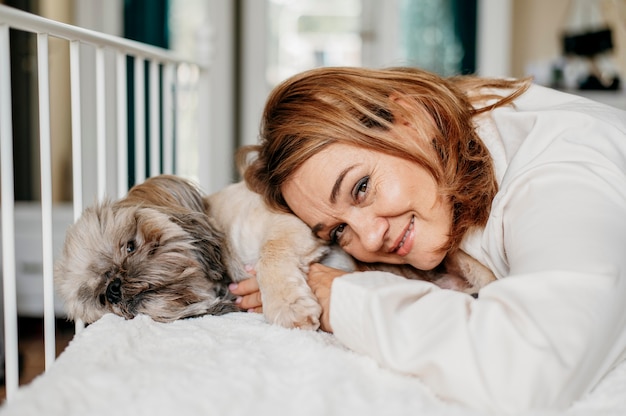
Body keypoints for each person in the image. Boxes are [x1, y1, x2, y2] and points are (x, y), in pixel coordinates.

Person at [228, 66, 626, 413]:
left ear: (411, 118)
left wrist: (343, 299)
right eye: (338, 232)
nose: (369, 236)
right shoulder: (459, 155)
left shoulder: (562, 173)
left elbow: (530, 366)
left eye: (361, 187)